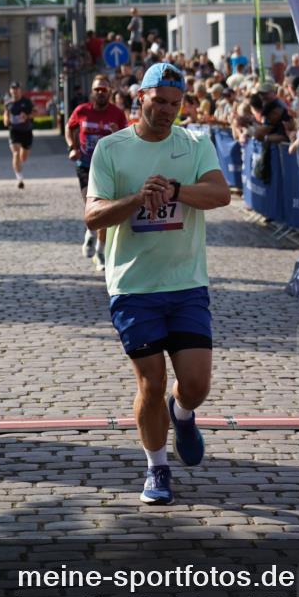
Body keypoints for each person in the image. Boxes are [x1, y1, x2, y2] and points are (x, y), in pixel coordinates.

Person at [84, 63, 231, 506]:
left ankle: (182, 413)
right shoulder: (112, 149)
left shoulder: (194, 143)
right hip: (133, 286)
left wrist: (175, 190)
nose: (167, 110)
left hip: (186, 282)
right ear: (140, 98)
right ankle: (157, 468)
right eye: (159, 101)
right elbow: (93, 217)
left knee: (197, 384)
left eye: (174, 102)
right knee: (150, 381)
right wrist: (136, 199)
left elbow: (221, 195)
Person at [66, 74, 127, 271]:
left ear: (109, 91)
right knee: (90, 204)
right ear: (92, 92)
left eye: (104, 89)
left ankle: (100, 252)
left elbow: (125, 140)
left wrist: (117, 132)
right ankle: (91, 234)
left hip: (107, 167)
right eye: (97, 89)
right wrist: (72, 146)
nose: (100, 92)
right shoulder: (81, 110)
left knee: (102, 210)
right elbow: (69, 127)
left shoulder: (117, 113)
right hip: (85, 165)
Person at [3, 81, 34, 189]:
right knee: (15, 154)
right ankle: (19, 179)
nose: (15, 91)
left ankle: (19, 163)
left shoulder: (27, 101)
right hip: (14, 131)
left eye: (17, 88)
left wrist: (27, 116)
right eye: (13, 89)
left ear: (20, 90)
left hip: (26, 131)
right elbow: (6, 114)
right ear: (10, 90)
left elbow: (35, 112)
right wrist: (6, 120)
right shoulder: (8, 103)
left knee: (23, 158)